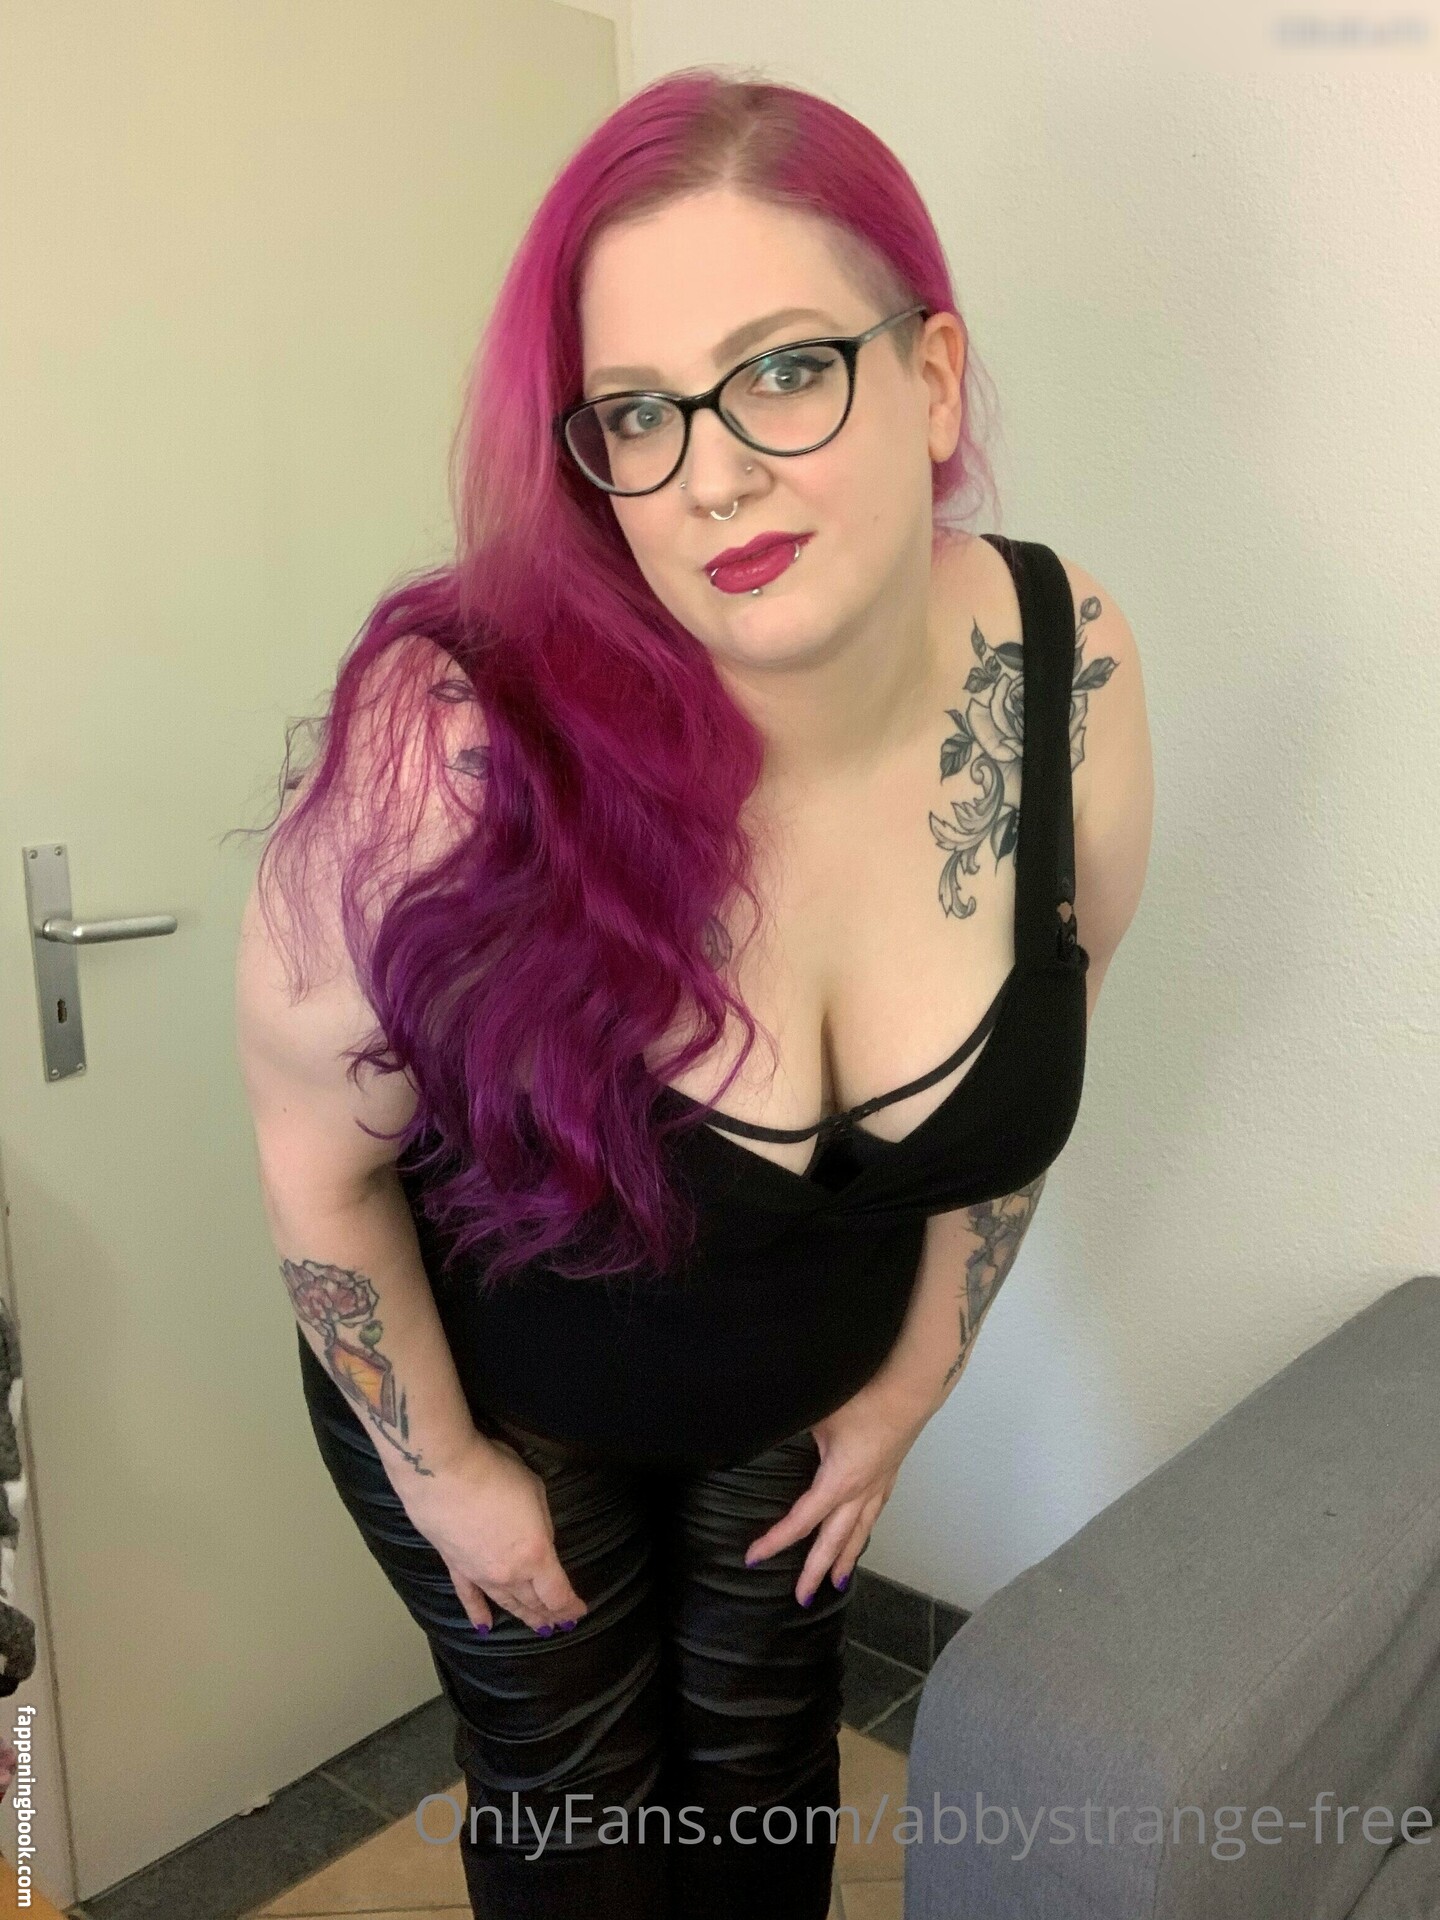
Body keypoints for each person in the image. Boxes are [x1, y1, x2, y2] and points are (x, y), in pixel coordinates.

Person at [233, 65, 1152, 1920]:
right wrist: (446, 1477)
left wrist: (915, 1380)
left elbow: (1032, 1060)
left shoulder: (1065, 672)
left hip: (793, 1400)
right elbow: (316, 1161)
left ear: (934, 378)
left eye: (786, 369)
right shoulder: (457, 741)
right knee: (580, 1831)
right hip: (497, 1402)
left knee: (762, 1804)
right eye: (638, 413)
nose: (712, 474)